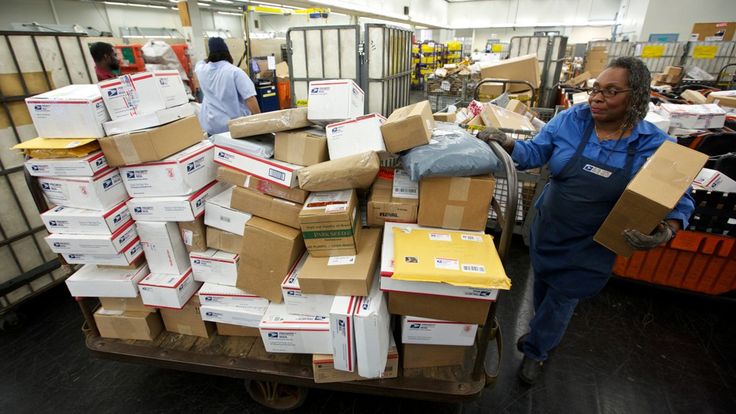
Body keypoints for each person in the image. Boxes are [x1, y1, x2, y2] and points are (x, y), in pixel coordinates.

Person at [479, 57, 694, 385]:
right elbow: (537, 153)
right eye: (595, 90)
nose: (596, 98)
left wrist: (666, 231)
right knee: (543, 289)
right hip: (549, 228)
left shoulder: (656, 145)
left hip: (592, 244)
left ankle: (536, 351)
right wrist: (509, 143)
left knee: (561, 300)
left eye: (610, 91)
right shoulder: (570, 120)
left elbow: (681, 199)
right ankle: (541, 333)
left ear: (636, 96)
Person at [195, 37, 260, 135]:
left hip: (211, 128)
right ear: (228, 53)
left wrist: (210, 58)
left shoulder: (201, 71)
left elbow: (200, 63)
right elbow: (250, 98)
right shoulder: (235, 72)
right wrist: (260, 122)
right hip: (233, 129)